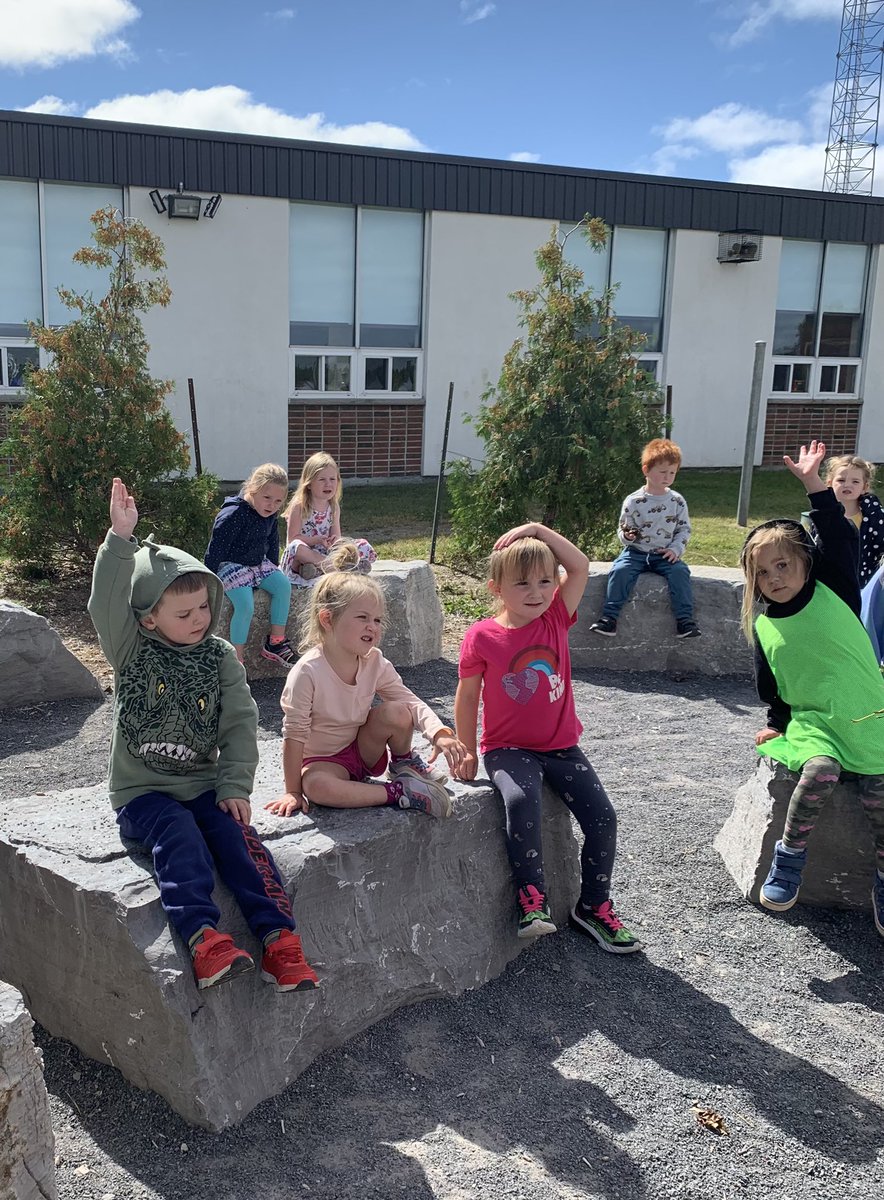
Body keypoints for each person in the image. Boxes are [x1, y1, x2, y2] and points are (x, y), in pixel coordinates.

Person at [89, 478, 319, 991]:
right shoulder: (130, 649)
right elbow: (105, 604)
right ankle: (203, 940)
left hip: (204, 784)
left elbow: (240, 722)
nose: (199, 619)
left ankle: (279, 939)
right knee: (178, 834)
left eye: (204, 607)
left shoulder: (219, 658)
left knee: (238, 837)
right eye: (184, 613)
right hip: (143, 793)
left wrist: (235, 785)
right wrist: (119, 541)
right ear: (149, 619)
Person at [453, 522, 642, 952]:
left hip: (562, 748)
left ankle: (593, 907)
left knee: (604, 817)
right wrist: (465, 748)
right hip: (507, 749)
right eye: (522, 583)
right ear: (496, 588)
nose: (536, 592)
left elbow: (580, 566)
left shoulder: (556, 616)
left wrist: (538, 529)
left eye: (544, 580)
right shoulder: (482, 636)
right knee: (523, 802)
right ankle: (532, 900)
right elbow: (467, 695)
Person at [739, 441, 884, 936]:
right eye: (762, 572)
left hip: (866, 714)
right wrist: (776, 724)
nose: (774, 578)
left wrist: (814, 485)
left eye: (782, 565)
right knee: (820, 772)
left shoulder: (835, 589)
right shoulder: (765, 626)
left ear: (804, 561)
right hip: (816, 721)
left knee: (881, 792)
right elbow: (772, 684)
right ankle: (789, 859)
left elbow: (839, 535)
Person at [266, 572, 468, 819]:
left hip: (364, 750)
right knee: (317, 787)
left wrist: (438, 732)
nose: (372, 626)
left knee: (397, 710)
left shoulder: (374, 661)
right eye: (362, 617)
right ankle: (400, 791)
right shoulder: (307, 672)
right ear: (327, 619)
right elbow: (294, 734)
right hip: (325, 762)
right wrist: (293, 792)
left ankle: (403, 764)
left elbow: (408, 700)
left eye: (377, 620)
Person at [590, 438, 700, 639]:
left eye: (672, 472)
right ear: (646, 470)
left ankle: (685, 621)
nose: (667, 477)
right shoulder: (634, 501)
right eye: (662, 471)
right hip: (636, 552)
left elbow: (684, 529)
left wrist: (675, 550)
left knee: (680, 572)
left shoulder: (677, 501)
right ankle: (609, 618)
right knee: (620, 571)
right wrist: (627, 537)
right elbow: (623, 528)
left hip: (664, 554)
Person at [204, 463, 295, 666]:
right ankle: (236, 659)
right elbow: (216, 548)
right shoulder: (233, 514)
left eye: (278, 501)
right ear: (253, 489)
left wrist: (273, 566)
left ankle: (276, 642)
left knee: (283, 586)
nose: (272, 505)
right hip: (231, 565)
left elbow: (272, 541)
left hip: (257, 563)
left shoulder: (269, 513)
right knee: (245, 605)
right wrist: (209, 579)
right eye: (267, 498)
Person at [280, 452, 376, 586]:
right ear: (309, 483)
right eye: (322, 480)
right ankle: (336, 567)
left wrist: (334, 543)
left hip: (325, 551)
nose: (328, 484)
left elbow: (336, 536)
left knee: (361, 545)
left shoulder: (333, 506)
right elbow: (292, 539)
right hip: (306, 552)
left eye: (332, 479)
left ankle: (315, 570)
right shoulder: (299, 506)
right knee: (296, 548)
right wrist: (317, 540)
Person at [820, 454, 884, 588]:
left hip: (863, 583)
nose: (847, 485)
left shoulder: (874, 516)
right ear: (830, 483)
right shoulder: (823, 514)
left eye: (855, 482)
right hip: (830, 582)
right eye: (841, 480)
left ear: (865, 487)